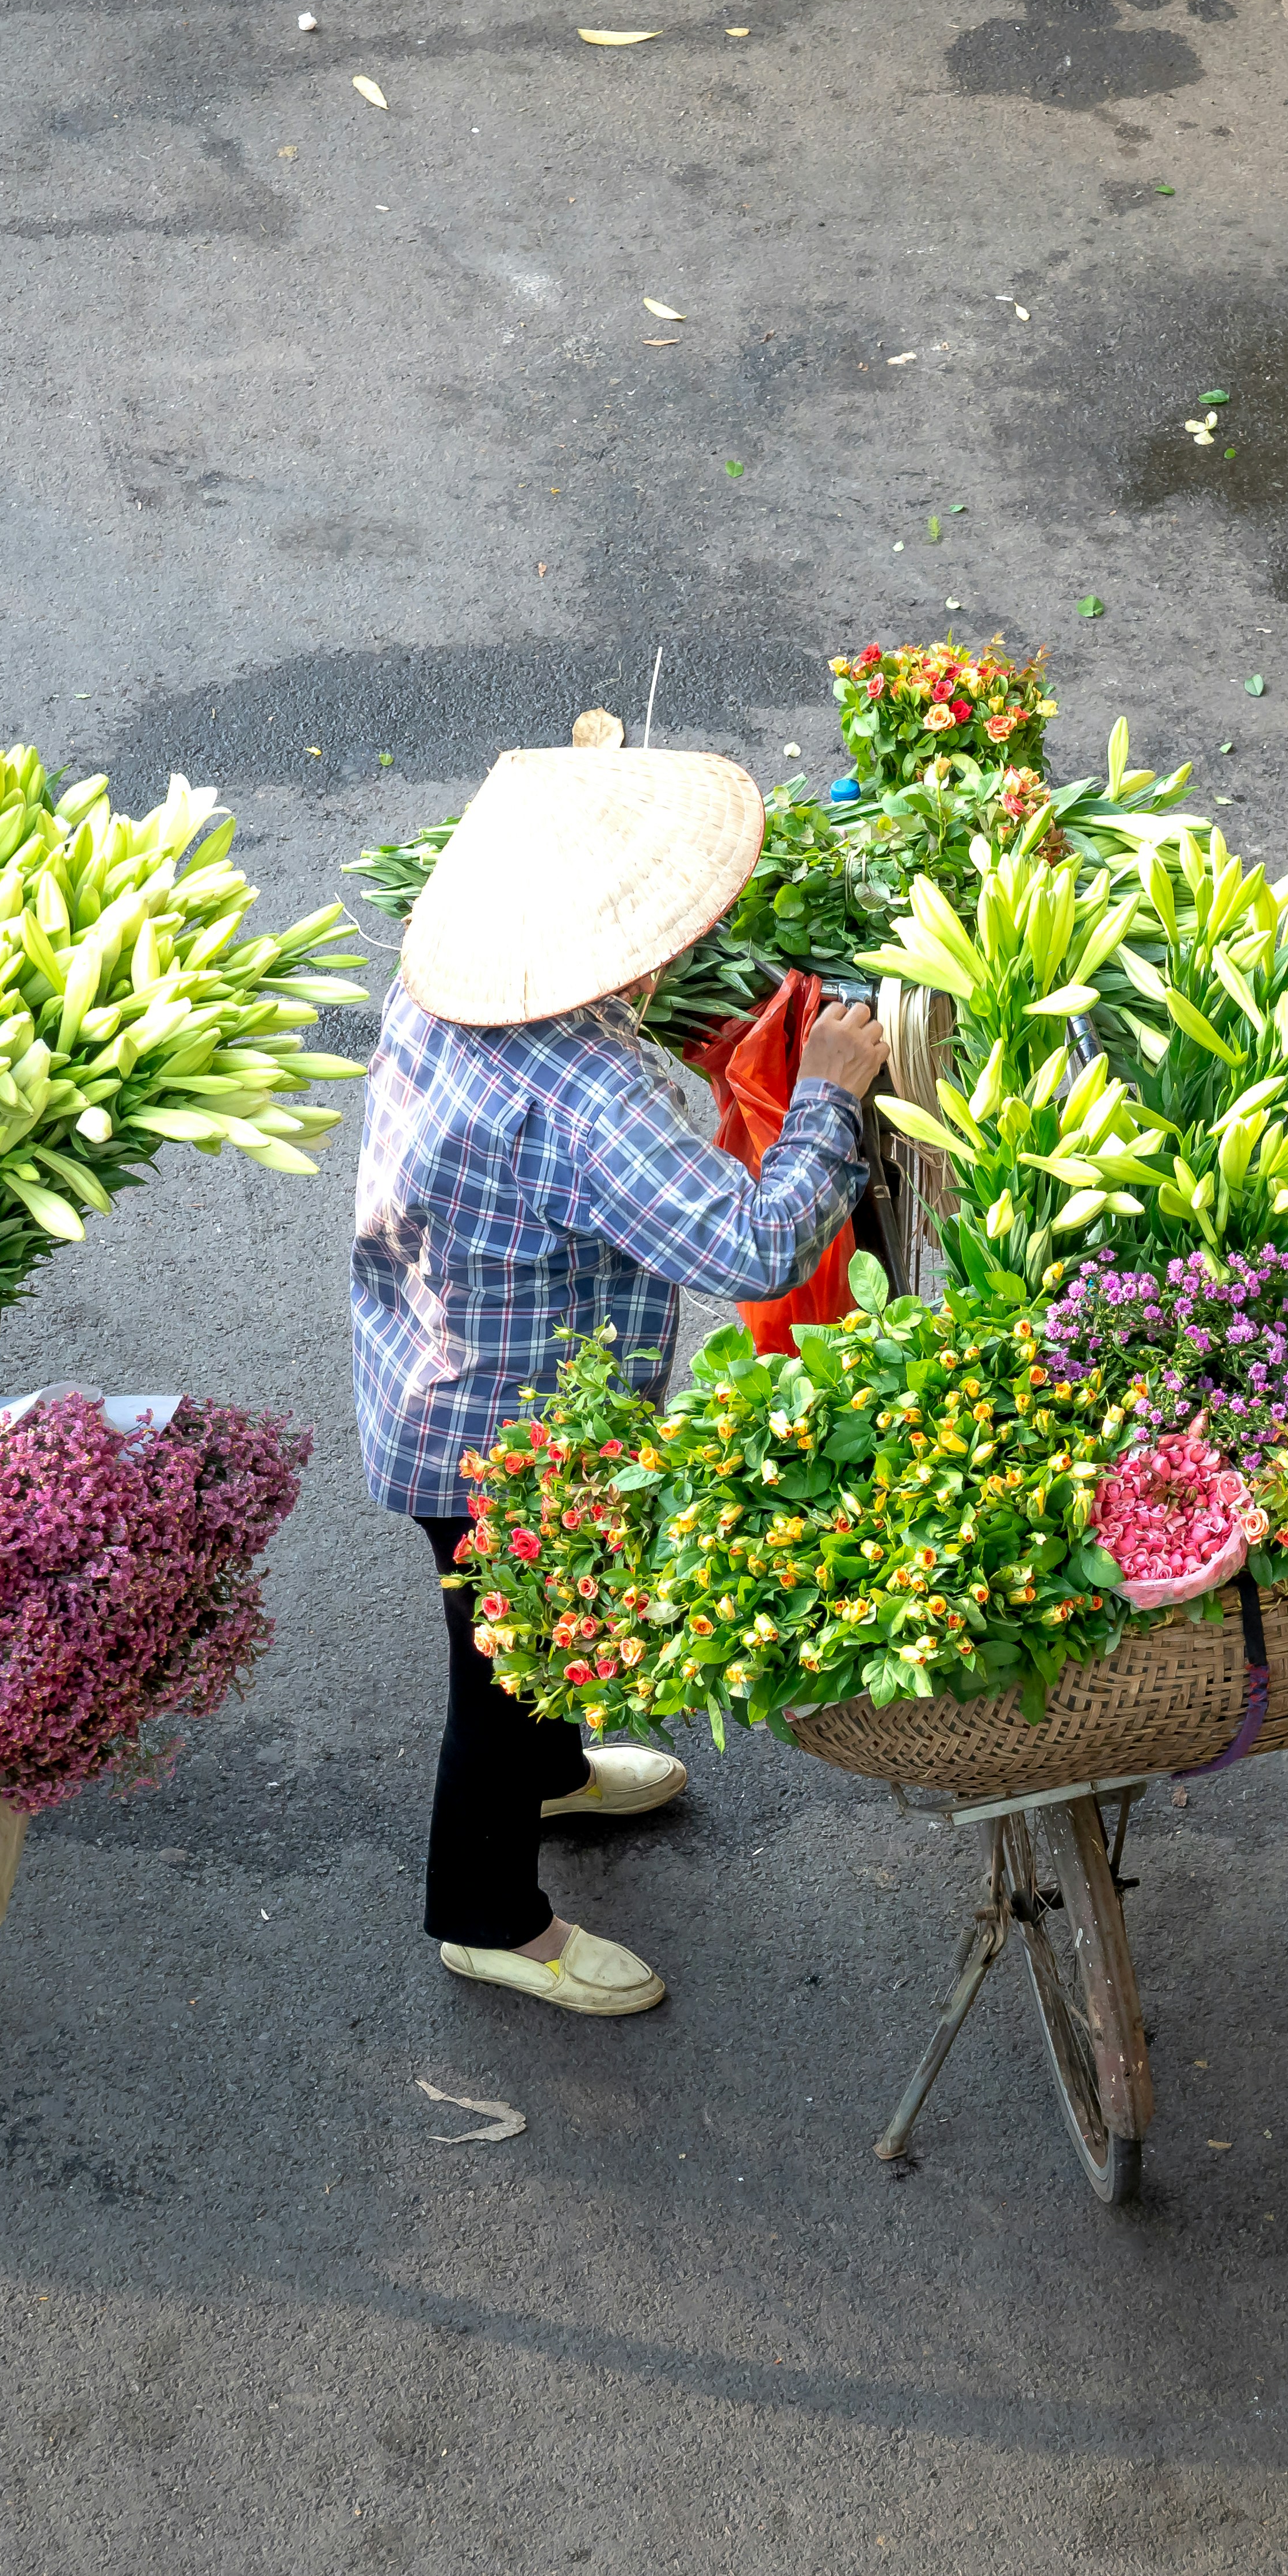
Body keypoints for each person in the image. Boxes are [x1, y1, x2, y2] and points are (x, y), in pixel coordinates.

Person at [348, 732, 886, 2017]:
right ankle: (487, 1914)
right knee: (499, 1663)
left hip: (422, 1362)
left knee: (526, 1631)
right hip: (502, 1431)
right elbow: (750, 1244)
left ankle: (552, 1770)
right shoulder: (583, 1095)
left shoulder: (442, 989)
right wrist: (828, 1097)